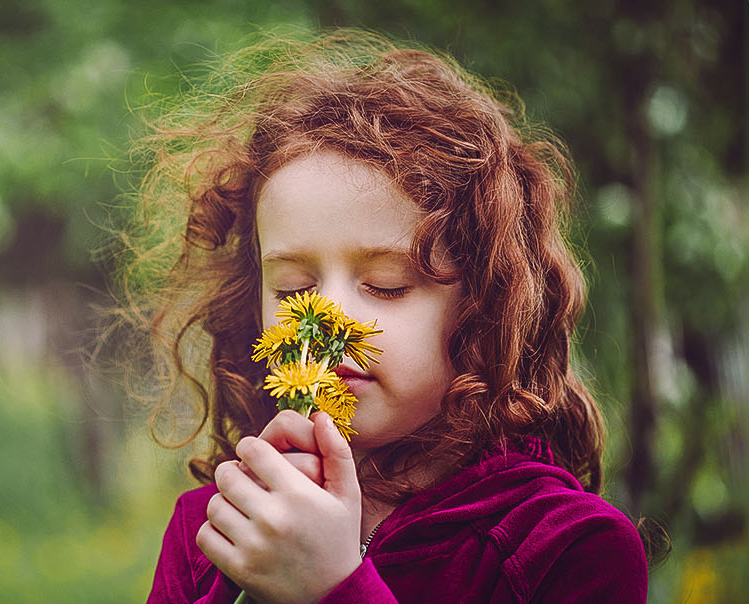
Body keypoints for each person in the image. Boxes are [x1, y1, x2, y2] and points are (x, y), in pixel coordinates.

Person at [117, 30, 651, 603]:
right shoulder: (214, 526)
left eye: (386, 286)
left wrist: (336, 588)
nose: (326, 319)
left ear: (483, 308)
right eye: (294, 288)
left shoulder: (569, 547)